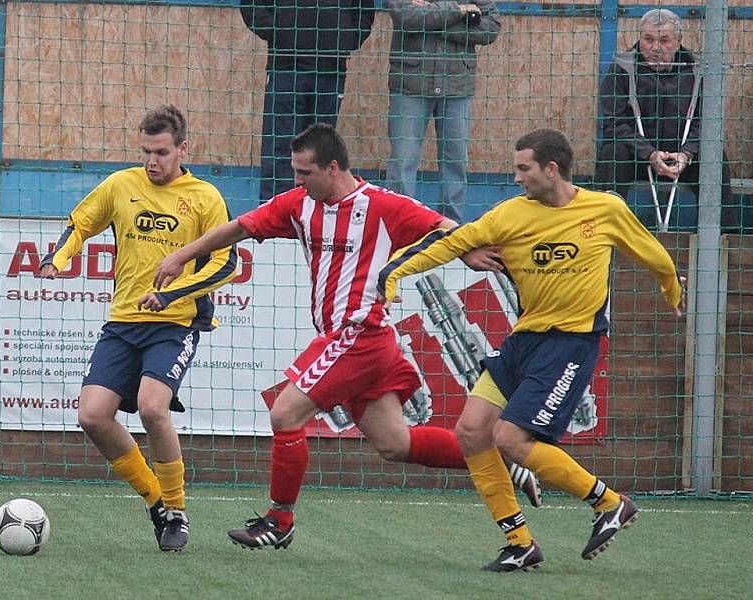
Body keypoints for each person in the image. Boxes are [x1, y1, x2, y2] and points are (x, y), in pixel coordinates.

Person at [146, 123, 540, 550]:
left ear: (332, 168)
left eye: (304, 172)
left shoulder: (383, 206)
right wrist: (181, 256)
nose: (297, 181)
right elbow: (240, 227)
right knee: (395, 443)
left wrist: (467, 249)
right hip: (361, 342)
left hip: (360, 334)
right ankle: (501, 459)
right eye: (295, 172)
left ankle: (279, 520)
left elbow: (442, 224)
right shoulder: (300, 204)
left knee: (284, 414)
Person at [379, 128, 685, 572]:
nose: (517, 177)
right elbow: (450, 242)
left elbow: (653, 254)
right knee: (470, 432)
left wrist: (671, 289)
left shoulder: (606, 209)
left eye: (523, 168)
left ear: (551, 169)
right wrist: (393, 275)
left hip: (571, 343)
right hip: (524, 341)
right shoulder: (509, 215)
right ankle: (520, 542)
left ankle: (609, 503)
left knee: (510, 438)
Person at [40, 105, 239, 552]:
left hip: (174, 322)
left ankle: (178, 509)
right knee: (91, 415)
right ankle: (156, 501)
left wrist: (170, 295)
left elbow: (227, 263)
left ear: (183, 149)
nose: (153, 161)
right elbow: (80, 222)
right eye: (146, 151)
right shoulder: (121, 184)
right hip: (124, 321)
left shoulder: (205, 197)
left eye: (162, 152)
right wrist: (58, 257)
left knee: (153, 408)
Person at [595, 8, 739, 232]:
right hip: (637, 155)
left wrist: (687, 153)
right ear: (639, 38)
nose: (654, 48)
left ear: (678, 41)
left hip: (682, 156)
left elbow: (709, 121)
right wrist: (649, 154)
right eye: (648, 39)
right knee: (611, 156)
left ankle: (723, 242)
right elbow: (614, 123)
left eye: (664, 40)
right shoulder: (622, 69)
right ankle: (603, 232)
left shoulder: (697, 70)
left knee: (715, 160)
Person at [240, 0, 375, 202]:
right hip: (286, 68)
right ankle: (276, 219)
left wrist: (347, 39)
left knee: (322, 150)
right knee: (280, 147)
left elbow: (365, 10)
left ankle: (316, 216)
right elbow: (252, 5)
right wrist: (278, 32)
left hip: (331, 70)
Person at [385, 0, 500, 222]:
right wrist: (460, 11)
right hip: (410, 84)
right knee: (402, 161)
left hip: (457, 86)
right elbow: (405, 16)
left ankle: (450, 226)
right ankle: (399, 225)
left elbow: (490, 29)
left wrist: (431, 19)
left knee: (455, 162)